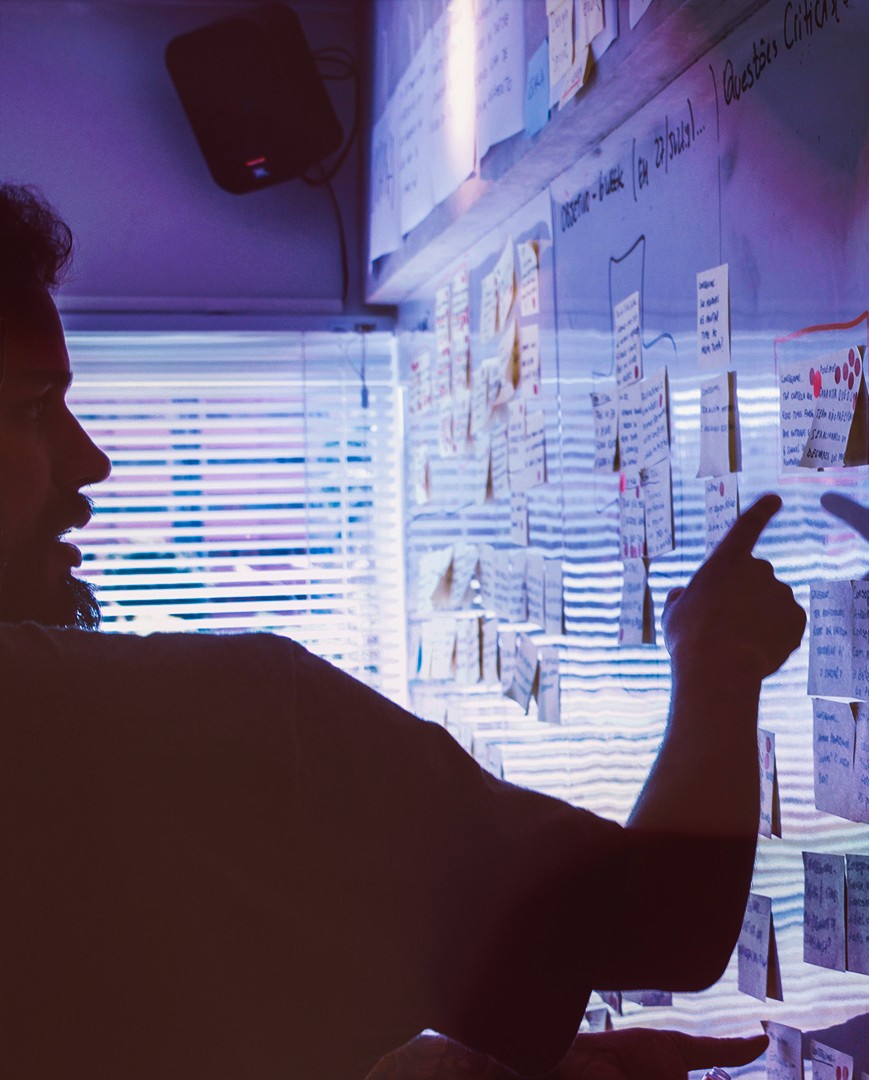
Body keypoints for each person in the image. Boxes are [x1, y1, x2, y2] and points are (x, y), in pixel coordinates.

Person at [0, 182, 801, 1079]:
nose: (90, 460)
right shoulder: (212, 728)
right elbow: (666, 918)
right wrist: (718, 657)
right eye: (32, 407)